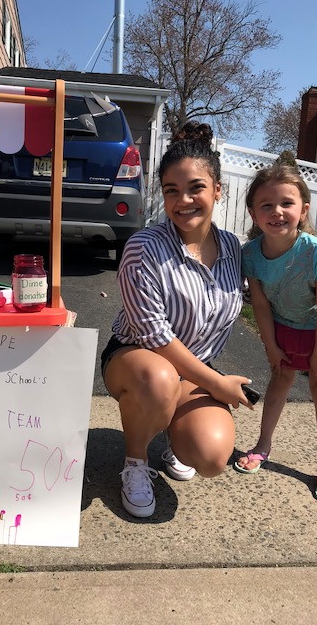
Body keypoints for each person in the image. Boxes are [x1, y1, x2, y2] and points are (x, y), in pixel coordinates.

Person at [101, 121, 254, 518]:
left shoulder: (235, 249)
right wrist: (218, 384)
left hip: (193, 370)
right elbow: (153, 337)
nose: (183, 199)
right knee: (159, 379)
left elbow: (276, 286)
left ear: (218, 190)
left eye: (196, 188)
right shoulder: (144, 249)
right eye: (172, 191)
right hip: (135, 360)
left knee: (211, 456)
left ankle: (174, 433)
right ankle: (135, 462)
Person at [235, 164, 317, 504]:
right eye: (266, 205)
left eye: (286, 202)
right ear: (254, 213)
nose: (277, 211)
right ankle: (263, 444)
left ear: (303, 209)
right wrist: (270, 346)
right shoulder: (251, 255)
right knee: (280, 379)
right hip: (284, 326)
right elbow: (260, 305)